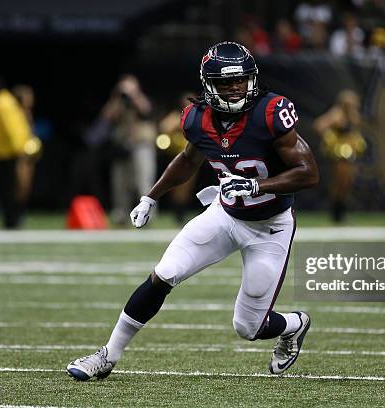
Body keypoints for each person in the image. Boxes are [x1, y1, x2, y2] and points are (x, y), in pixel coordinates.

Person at [66, 41, 319, 380]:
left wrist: (258, 186)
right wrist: (151, 196)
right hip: (225, 214)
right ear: (209, 85)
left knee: (248, 327)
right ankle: (107, 355)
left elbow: (309, 173)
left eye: (241, 80)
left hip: (269, 226)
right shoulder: (197, 119)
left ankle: (294, 324)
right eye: (226, 82)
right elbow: (188, 159)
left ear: (252, 79)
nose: (235, 88)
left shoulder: (270, 113)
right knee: (164, 273)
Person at [0, 76, 40, 229]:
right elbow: (12, 129)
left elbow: (11, 129)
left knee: (13, 188)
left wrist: (20, 148)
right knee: (12, 188)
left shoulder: (2, 103)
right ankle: (13, 219)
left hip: (8, 153)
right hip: (10, 153)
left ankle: (13, 219)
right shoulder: (5, 103)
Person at [102, 74, 157, 225]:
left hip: (141, 145)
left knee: (144, 182)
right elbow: (107, 117)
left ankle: (147, 215)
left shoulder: (141, 98)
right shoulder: (118, 101)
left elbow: (146, 110)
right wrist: (116, 96)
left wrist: (134, 94)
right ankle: (120, 214)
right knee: (120, 183)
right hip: (122, 146)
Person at [314, 89, 365, 222]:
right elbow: (319, 125)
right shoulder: (336, 114)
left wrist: (356, 142)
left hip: (351, 153)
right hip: (339, 154)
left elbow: (355, 131)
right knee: (339, 183)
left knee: (348, 182)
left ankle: (342, 210)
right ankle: (336, 213)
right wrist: (330, 140)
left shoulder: (354, 115)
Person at [157, 92, 199, 224]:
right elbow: (164, 127)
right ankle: (177, 213)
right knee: (177, 186)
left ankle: (183, 211)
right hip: (178, 155)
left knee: (188, 187)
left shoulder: (198, 115)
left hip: (194, 156)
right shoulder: (177, 116)